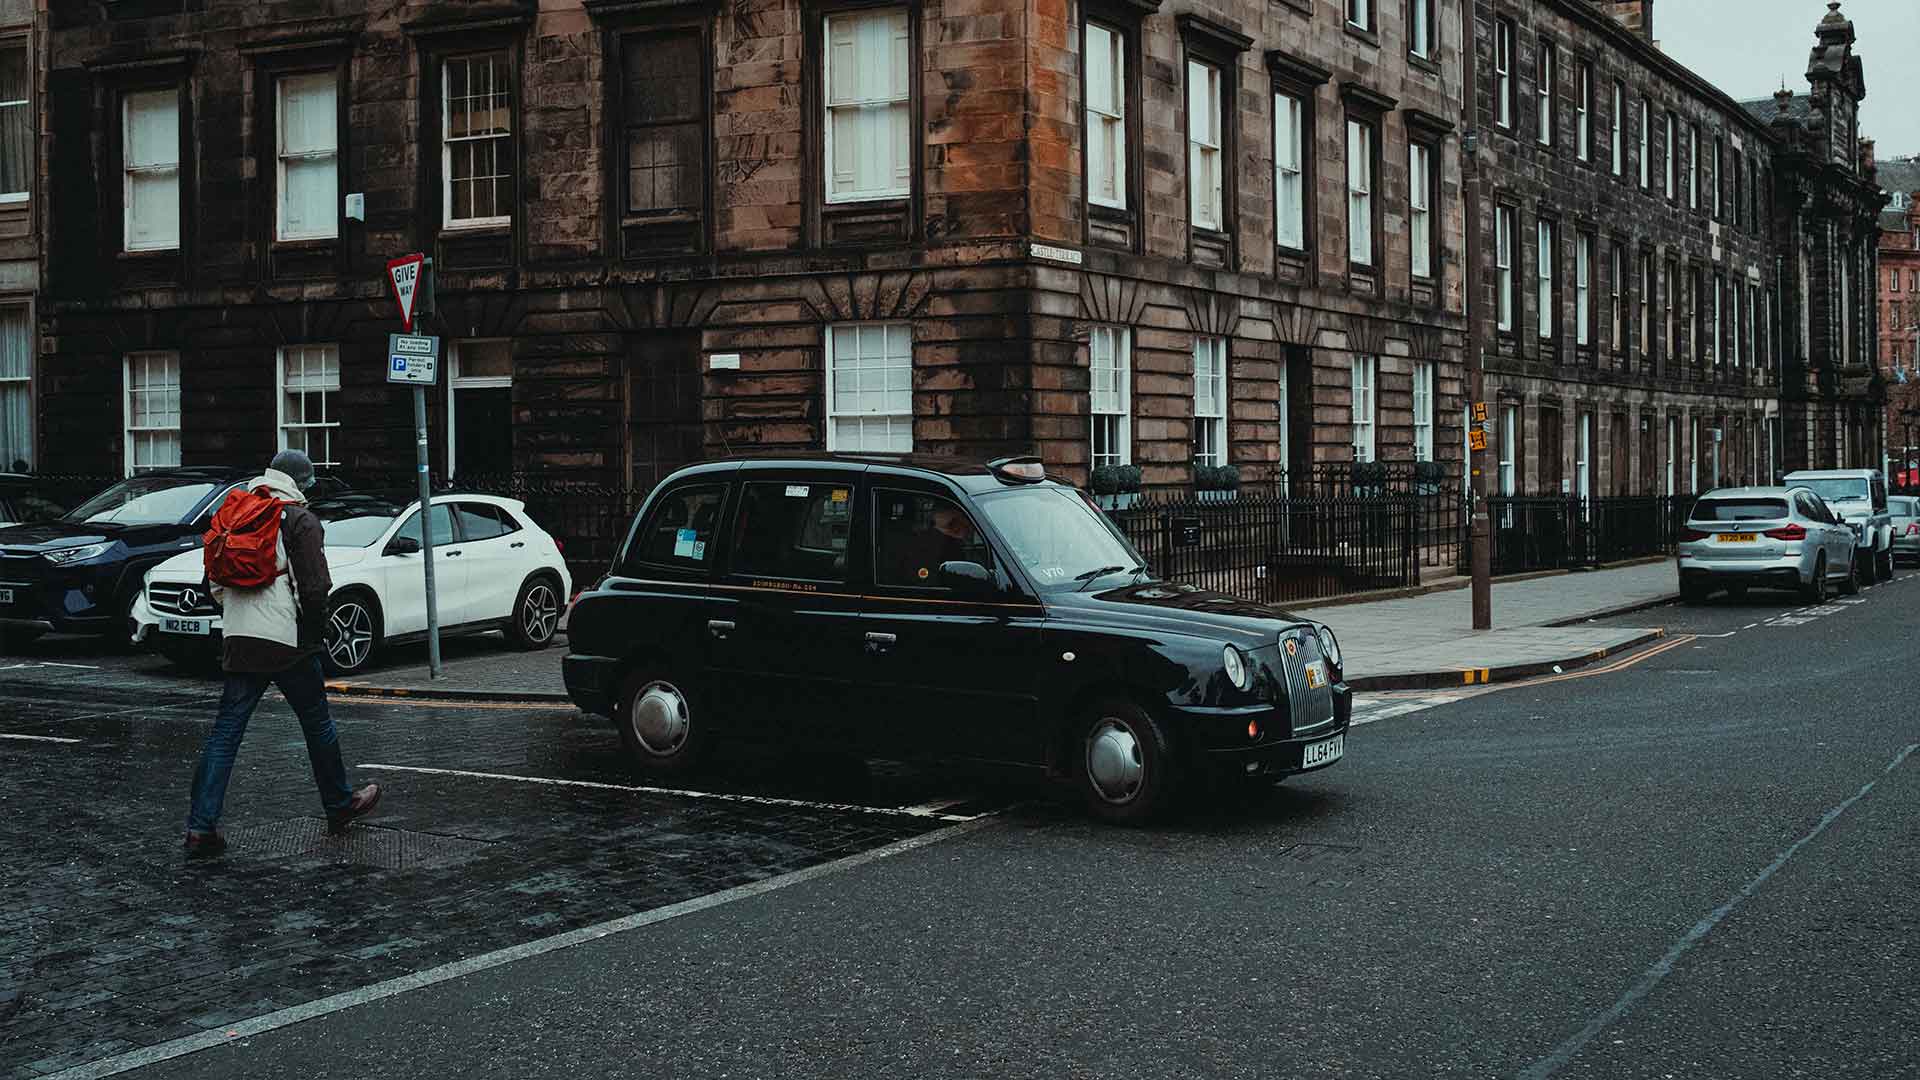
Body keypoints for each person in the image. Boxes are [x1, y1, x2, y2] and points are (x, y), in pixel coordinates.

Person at [183, 449, 381, 858]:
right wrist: (314, 633)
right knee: (318, 725)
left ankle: (200, 828)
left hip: (240, 636)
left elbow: (212, 584)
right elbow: (314, 587)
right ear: (301, 481)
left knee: (225, 733)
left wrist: (239, 617)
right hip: (286, 641)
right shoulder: (299, 519)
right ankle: (340, 805)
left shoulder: (234, 510)